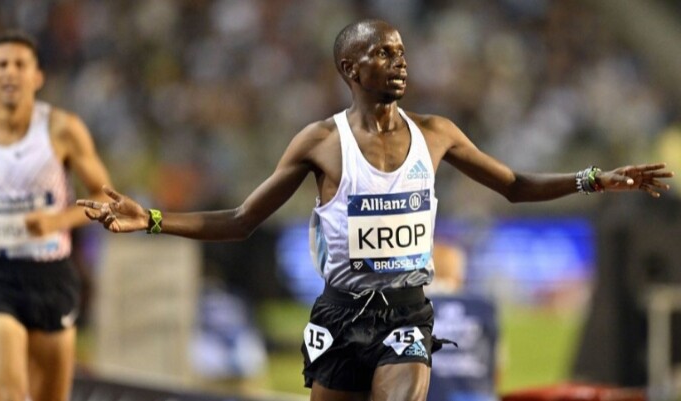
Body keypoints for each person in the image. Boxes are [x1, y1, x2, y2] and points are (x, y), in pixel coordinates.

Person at [78, 19, 673, 401]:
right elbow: (241, 221)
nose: (400, 61)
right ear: (350, 69)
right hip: (338, 317)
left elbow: (514, 185)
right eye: (384, 53)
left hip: (407, 314)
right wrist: (151, 219)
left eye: (402, 52)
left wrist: (593, 179)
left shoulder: (436, 133)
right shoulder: (320, 143)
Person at [0, 31, 112, 401]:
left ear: (37, 76)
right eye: (2, 64)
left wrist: (57, 221)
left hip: (51, 276)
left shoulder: (62, 130)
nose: (10, 72)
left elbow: (107, 199)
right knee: (9, 396)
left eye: (20, 64)